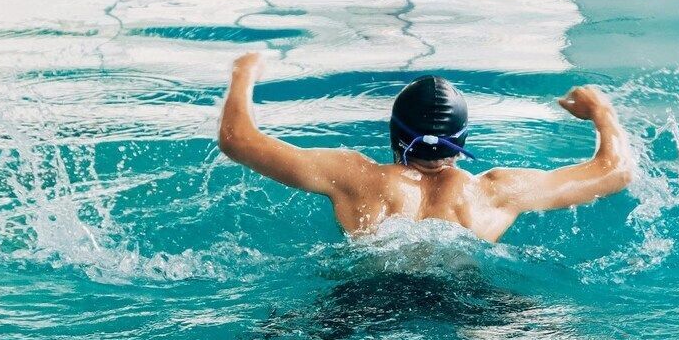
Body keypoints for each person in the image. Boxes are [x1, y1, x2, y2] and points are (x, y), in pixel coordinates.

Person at [218, 52, 633, 243]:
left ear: (395, 133)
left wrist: (244, 71)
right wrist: (602, 111)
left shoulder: (355, 177)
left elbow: (238, 139)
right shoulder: (494, 192)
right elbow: (614, 172)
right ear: (462, 140)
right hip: (469, 303)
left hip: (367, 301)